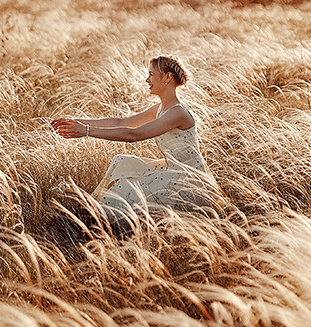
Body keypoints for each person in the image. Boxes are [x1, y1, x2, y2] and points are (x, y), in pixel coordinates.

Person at [51, 56, 221, 223]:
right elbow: (122, 122)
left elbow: (135, 135)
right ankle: (96, 214)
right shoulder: (161, 108)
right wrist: (77, 122)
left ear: (167, 77)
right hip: (170, 169)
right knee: (122, 162)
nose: (147, 80)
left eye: (151, 74)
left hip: (187, 180)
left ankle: (100, 222)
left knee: (127, 186)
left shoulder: (178, 112)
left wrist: (86, 131)